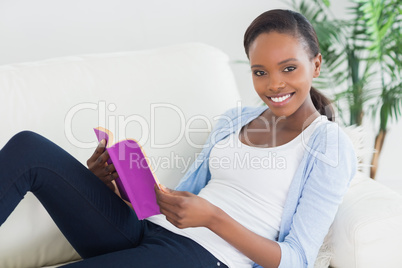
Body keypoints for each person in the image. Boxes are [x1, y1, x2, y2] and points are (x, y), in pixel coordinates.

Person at [0, 9, 356, 268]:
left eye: (289, 68)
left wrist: (213, 218)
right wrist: (117, 186)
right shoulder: (236, 120)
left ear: (316, 64)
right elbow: (179, 200)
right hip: (150, 230)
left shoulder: (329, 145)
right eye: (260, 72)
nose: (275, 84)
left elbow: (297, 260)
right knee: (29, 148)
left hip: (204, 257)